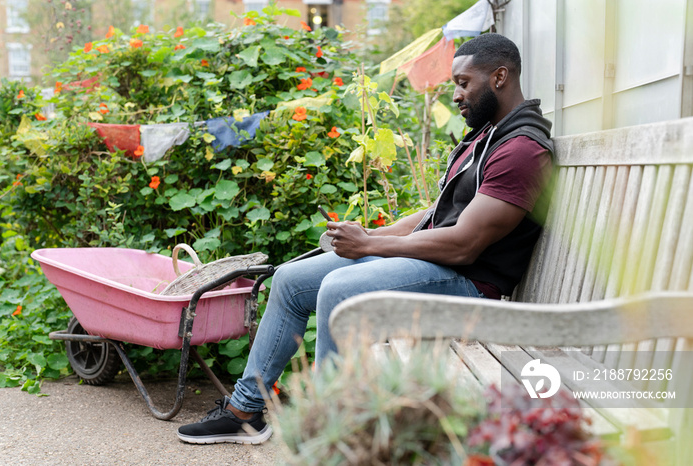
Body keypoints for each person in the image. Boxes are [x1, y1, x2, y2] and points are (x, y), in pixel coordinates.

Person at [177, 33, 554, 445]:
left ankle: (333, 431)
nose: (457, 95)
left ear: (499, 77)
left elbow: (464, 244)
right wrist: (370, 235)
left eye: (464, 83)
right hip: (437, 267)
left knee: (340, 289)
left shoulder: (521, 149)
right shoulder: (488, 134)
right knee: (289, 280)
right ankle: (244, 411)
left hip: (470, 286)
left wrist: (370, 246)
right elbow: (435, 212)